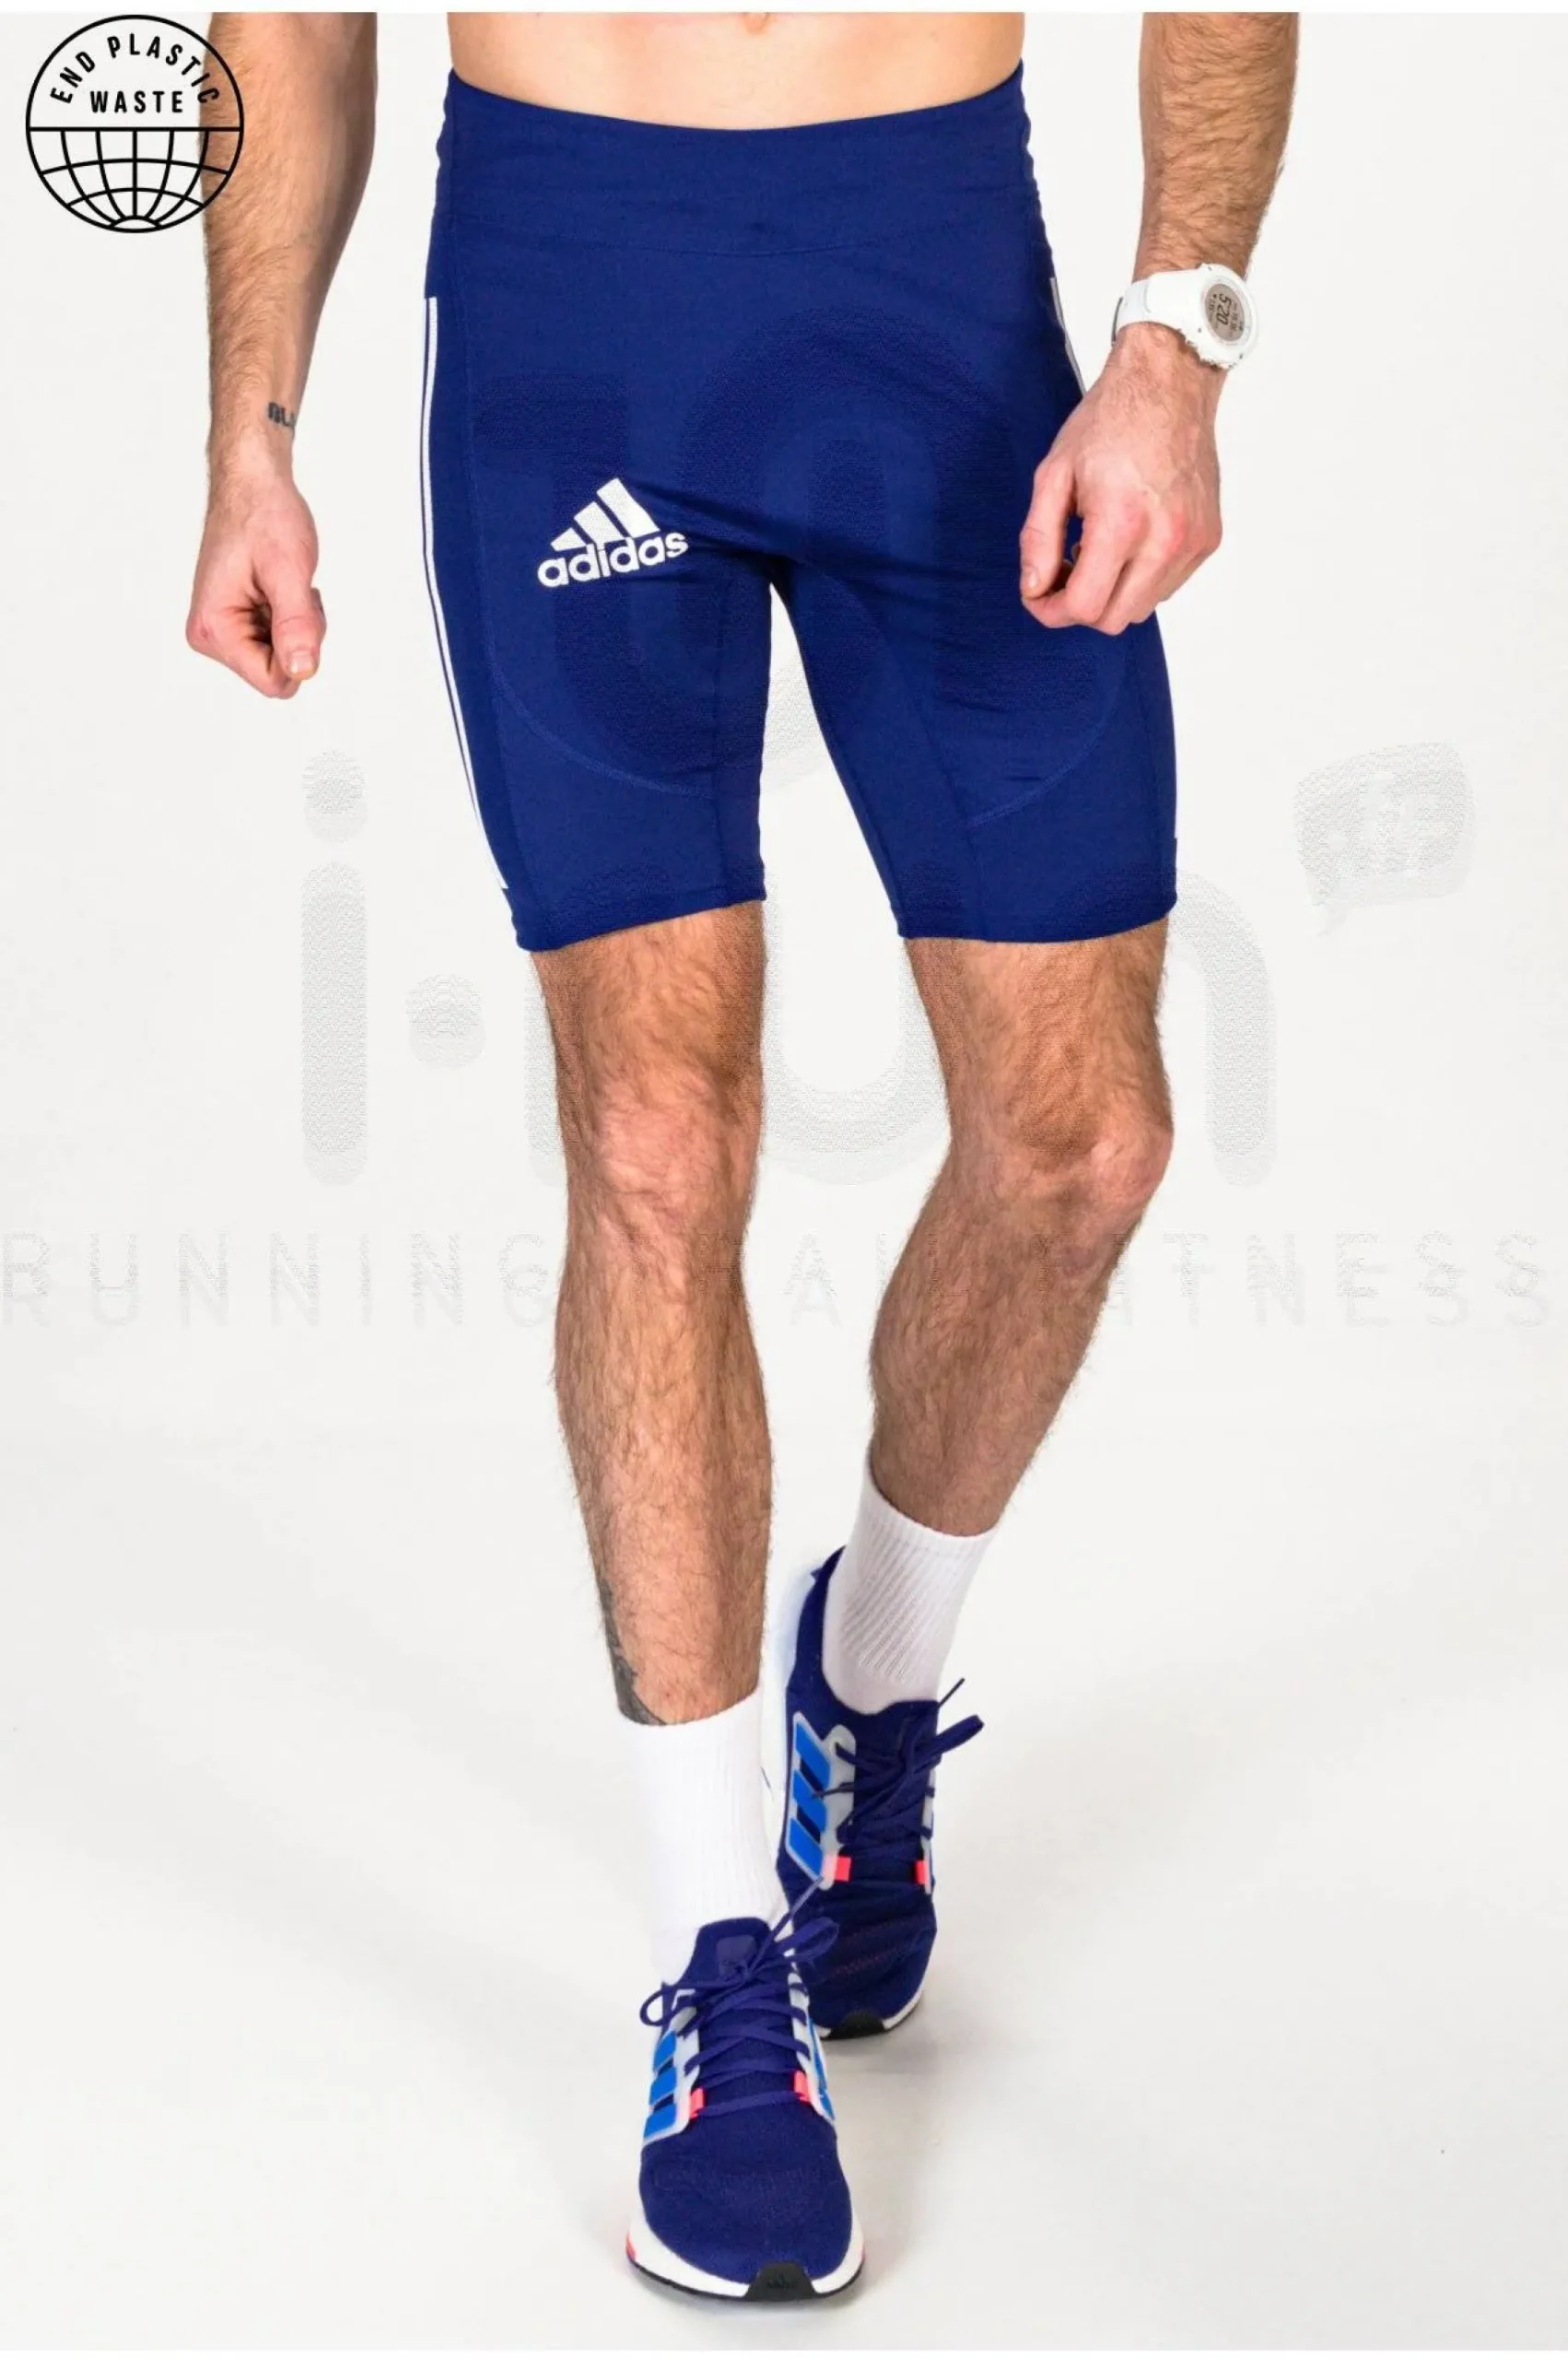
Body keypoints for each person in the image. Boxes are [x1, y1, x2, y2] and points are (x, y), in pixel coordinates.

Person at [188, 9, 1297, 2302]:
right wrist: (248, 425)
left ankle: (864, 1682)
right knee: (655, 1136)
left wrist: (1175, 333)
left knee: (1082, 1142)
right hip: (571, 313)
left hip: (935, 304)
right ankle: (721, 1967)